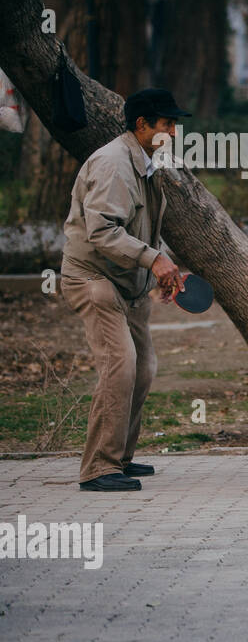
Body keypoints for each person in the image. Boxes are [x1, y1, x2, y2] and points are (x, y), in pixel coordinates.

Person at [60, 88, 191, 491]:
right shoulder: (113, 164)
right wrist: (153, 260)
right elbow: (102, 231)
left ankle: (120, 458)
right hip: (93, 280)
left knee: (143, 367)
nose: (174, 129)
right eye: (167, 123)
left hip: (128, 286)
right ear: (142, 125)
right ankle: (99, 469)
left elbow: (143, 230)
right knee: (120, 366)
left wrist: (161, 271)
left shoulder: (146, 163)